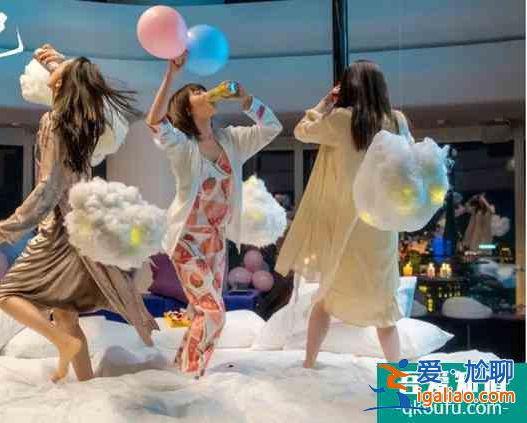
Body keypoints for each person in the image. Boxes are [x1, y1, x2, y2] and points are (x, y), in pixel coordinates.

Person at [0, 45, 157, 383]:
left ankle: (62, 343)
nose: (51, 76)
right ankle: (85, 383)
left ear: (65, 85)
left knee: (6, 295)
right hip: (81, 225)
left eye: (59, 74)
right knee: (65, 313)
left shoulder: (54, 121)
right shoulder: (84, 122)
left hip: (61, 226)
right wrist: (57, 62)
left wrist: (12, 225)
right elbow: (74, 80)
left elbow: (50, 185)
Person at [146, 51, 282, 378]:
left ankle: (181, 371)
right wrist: (171, 75)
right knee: (214, 312)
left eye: (203, 89)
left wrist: (247, 100)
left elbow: (272, 127)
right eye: (196, 92)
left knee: (200, 311)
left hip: (216, 242)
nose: (205, 94)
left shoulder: (231, 140)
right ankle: (192, 375)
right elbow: (155, 122)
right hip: (187, 241)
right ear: (187, 108)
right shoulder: (181, 145)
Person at [276, 60, 409, 368]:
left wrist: (324, 103)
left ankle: (309, 363)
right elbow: (408, 162)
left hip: (345, 225)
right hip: (381, 225)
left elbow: (301, 131)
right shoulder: (397, 121)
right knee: (384, 308)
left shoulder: (340, 119)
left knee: (326, 298)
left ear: (348, 87)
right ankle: (398, 374)